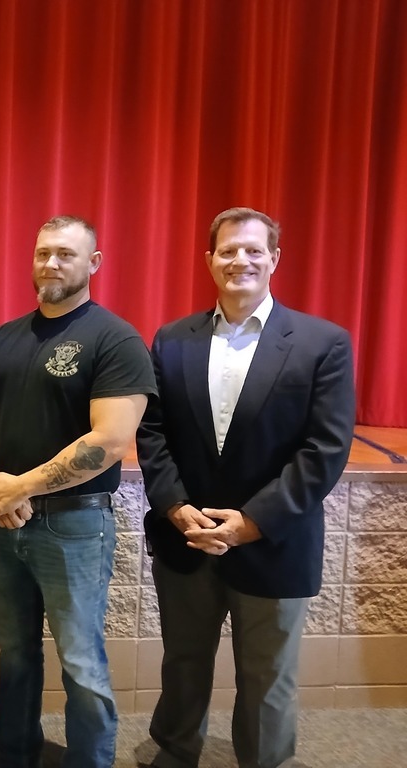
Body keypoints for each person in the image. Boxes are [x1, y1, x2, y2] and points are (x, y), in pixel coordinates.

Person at [136, 207, 356, 768]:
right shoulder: (171, 338)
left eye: (254, 250)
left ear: (274, 259)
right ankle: (175, 753)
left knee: (267, 677)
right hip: (186, 539)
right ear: (209, 260)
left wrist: (251, 523)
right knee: (183, 662)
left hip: (273, 541)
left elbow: (324, 449)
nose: (241, 260)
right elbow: (153, 433)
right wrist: (177, 508)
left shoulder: (321, 342)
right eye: (228, 250)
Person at [0, 215, 156, 768]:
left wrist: (16, 487)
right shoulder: (3, 337)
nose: (51, 263)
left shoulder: (114, 339)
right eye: (43, 252)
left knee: (81, 662)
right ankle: (15, 756)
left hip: (74, 527)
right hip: (2, 527)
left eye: (66, 254)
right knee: (16, 656)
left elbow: (112, 440)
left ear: (93, 263)